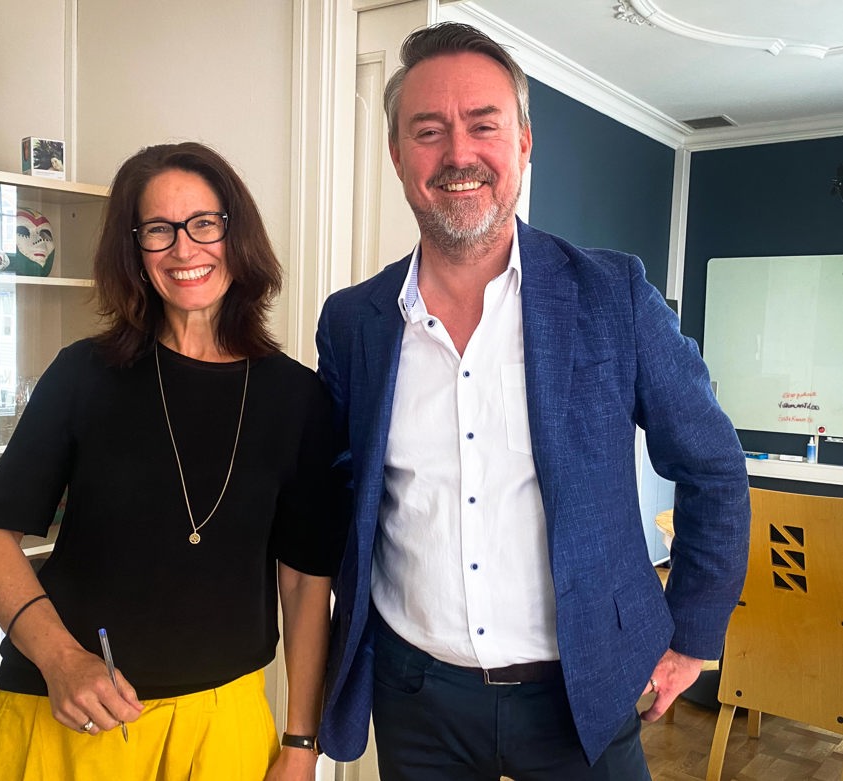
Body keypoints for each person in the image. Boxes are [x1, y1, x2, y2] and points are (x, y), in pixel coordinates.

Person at [315, 21, 751, 780]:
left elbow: (712, 464)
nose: (458, 153)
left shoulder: (612, 294)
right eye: (428, 130)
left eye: (483, 125)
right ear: (396, 155)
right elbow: (337, 489)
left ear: (522, 143)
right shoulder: (354, 321)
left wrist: (691, 634)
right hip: (415, 694)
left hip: (583, 692)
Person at [0, 141, 338, 780]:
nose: (185, 249)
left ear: (237, 234)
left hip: (222, 727)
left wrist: (302, 742)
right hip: (71, 714)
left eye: (204, 223)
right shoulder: (84, 374)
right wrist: (59, 659)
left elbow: (304, 583)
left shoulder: (298, 398)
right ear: (134, 251)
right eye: (158, 230)